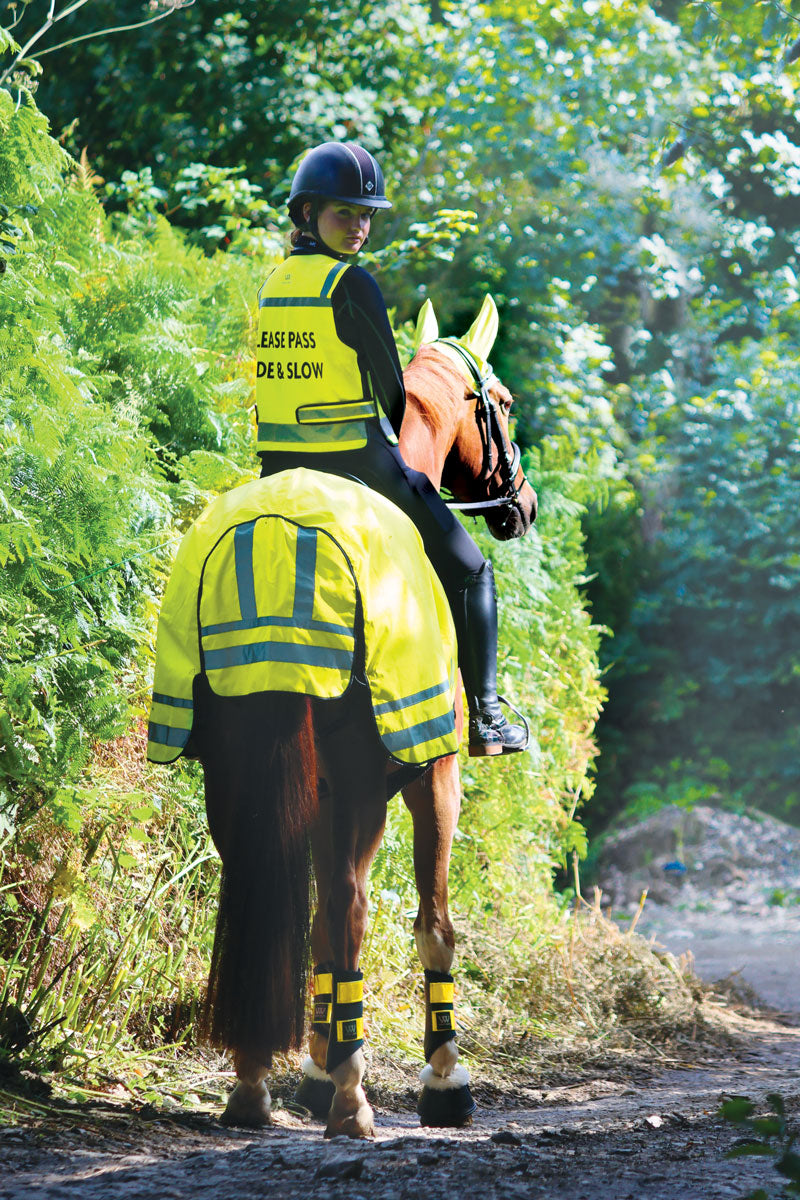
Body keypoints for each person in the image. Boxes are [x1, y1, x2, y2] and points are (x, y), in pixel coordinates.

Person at [255, 140, 527, 756]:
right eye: (344, 213)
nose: (359, 226)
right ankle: (486, 717)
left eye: (366, 214)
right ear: (307, 214)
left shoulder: (274, 284)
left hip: (273, 466)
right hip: (357, 460)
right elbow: (393, 396)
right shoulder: (352, 285)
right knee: (472, 570)